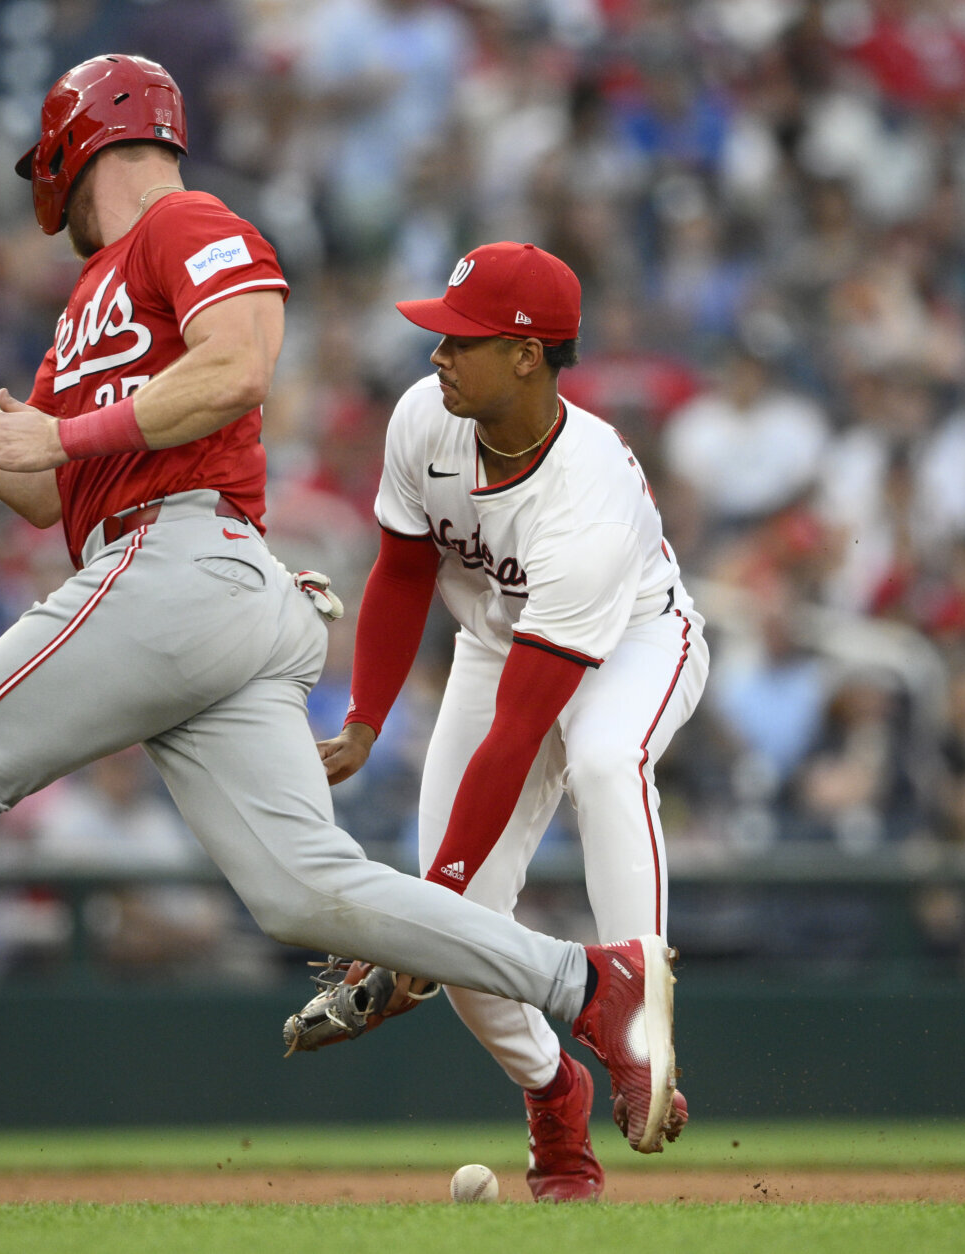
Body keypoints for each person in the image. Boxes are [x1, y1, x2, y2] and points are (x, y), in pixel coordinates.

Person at [0, 55, 677, 1166]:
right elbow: (45, 488)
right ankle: (588, 982)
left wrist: (61, 433)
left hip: (184, 560)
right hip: (197, 591)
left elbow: (239, 367)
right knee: (307, 894)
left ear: (73, 146)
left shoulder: (185, 221)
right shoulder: (88, 302)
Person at [301, 242, 707, 1199]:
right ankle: (553, 1097)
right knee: (463, 935)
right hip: (497, 643)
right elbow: (403, 569)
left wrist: (420, 915)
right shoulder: (425, 417)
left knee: (603, 759)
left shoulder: (588, 499)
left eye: (461, 341)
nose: (437, 355)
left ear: (527, 355)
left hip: (635, 639)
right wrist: (365, 719)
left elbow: (523, 733)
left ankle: (637, 1024)